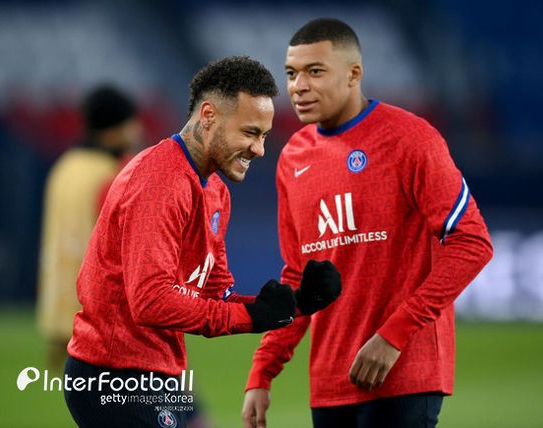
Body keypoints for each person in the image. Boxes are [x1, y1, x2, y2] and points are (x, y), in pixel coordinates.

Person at [63, 56, 341, 428]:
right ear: (208, 115)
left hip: (158, 373)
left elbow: (215, 296)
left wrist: (295, 304)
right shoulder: (160, 181)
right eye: (250, 132)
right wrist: (252, 316)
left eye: (263, 136)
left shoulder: (215, 192)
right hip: (112, 374)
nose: (259, 149)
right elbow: (151, 301)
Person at [242, 18, 493, 428]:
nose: (298, 86)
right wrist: (263, 369)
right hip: (330, 381)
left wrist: (395, 334)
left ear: (353, 74)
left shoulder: (410, 138)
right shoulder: (292, 157)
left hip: (403, 372)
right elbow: (299, 275)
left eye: (315, 71)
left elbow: (472, 243)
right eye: (291, 73)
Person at [37, 85, 143, 373]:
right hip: (99, 315)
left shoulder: (64, 168)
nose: (137, 131)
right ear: (114, 131)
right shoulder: (113, 173)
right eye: (131, 124)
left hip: (59, 308)